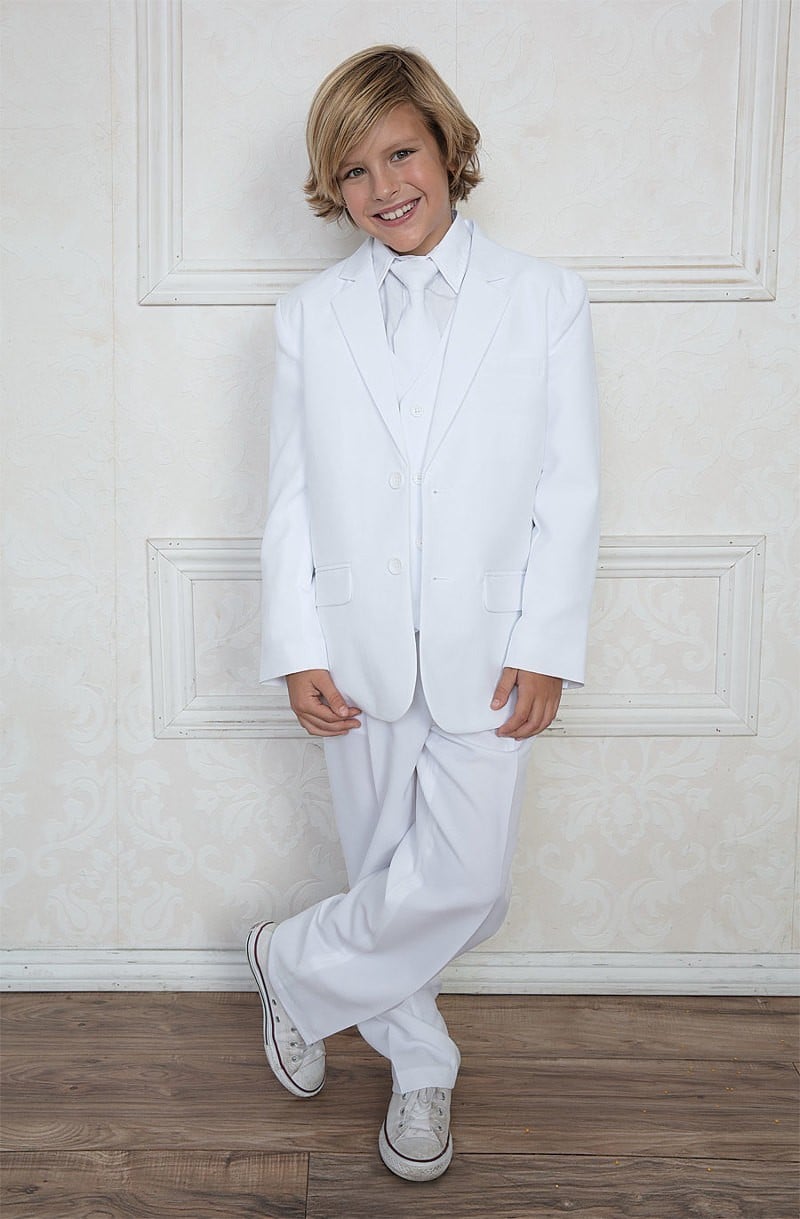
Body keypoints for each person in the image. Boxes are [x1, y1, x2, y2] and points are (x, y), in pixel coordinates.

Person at [247, 44, 600, 1182]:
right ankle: (421, 1068)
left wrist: (546, 643)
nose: (383, 186)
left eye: (401, 153)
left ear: (447, 148)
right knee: (383, 869)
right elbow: (291, 497)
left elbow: (568, 488)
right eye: (353, 170)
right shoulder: (311, 316)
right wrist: (296, 645)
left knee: (467, 882)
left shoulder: (544, 299)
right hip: (353, 644)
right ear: (331, 187)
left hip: (489, 646)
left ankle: (293, 961)